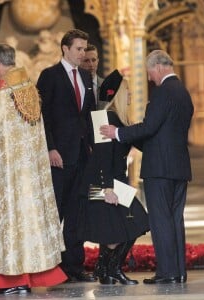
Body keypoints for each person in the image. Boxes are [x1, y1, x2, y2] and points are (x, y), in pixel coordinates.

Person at [100, 50, 194, 284]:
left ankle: (167, 273)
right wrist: (131, 137)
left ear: (159, 67)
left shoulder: (163, 92)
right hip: (179, 166)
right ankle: (179, 271)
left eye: (150, 72)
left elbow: (149, 127)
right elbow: (162, 134)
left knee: (161, 220)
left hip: (159, 170)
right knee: (174, 219)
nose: (150, 77)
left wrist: (118, 132)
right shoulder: (182, 92)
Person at [0, 43, 67, 295]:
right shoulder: (28, 89)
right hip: (29, 174)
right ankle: (26, 276)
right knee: (25, 222)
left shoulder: (5, 96)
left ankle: (12, 278)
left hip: (7, 175)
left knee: (11, 225)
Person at [79, 69, 149, 285]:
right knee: (130, 225)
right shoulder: (105, 117)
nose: (130, 96)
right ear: (118, 93)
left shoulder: (119, 119)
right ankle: (112, 269)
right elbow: (101, 158)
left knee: (133, 223)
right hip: (104, 183)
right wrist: (107, 188)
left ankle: (105, 269)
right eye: (127, 91)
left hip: (118, 182)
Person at [36, 29, 96, 282]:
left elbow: (89, 114)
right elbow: (41, 117)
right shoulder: (49, 76)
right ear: (65, 48)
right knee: (56, 211)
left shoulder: (85, 75)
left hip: (82, 154)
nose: (83, 54)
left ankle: (74, 267)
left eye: (84, 49)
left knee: (77, 212)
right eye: (79, 49)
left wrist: (94, 146)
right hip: (58, 155)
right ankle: (50, 269)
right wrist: (50, 148)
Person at [80, 44, 105, 109]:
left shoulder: (107, 85)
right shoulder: (74, 86)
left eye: (93, 60)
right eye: (86, 61)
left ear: (98, 61)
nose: (91, 64)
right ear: (79, 62)